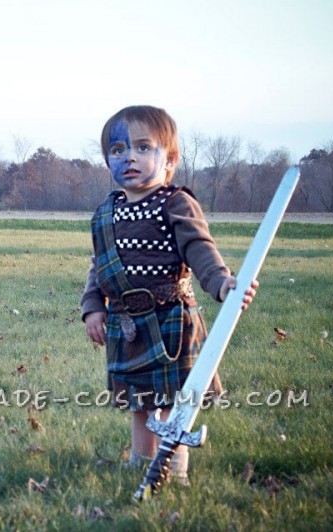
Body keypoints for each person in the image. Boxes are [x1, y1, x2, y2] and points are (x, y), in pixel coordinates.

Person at [80, 105, 258, 486]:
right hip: (126, 326)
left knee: (171, 403)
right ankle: (140, 461)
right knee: (139, 403)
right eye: (117, 150)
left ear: (170, 159)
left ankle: (173, 469)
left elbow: (199, 249)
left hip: (170, 321)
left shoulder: (175, 202)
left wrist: (222, 282)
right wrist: (92, 308)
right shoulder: (104, 214)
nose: (129, 156)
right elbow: (100, 267)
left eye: (143, 147)